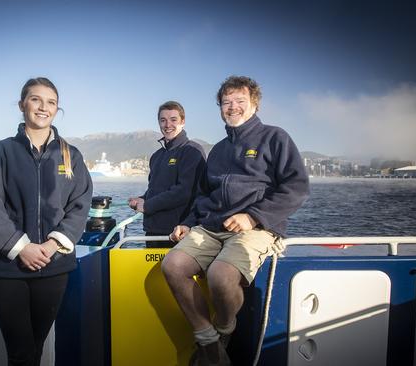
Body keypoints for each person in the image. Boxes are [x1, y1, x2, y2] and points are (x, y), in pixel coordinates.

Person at [161, 76, 309, 365]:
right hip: (211, 227)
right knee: (173, 265)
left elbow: (297, 187)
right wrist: (189, 222)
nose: (233, 107)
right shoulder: (218, 150)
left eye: (240, 101)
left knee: (221, 276)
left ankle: (224, 329)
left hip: (257, 228)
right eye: (226, 102)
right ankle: (209, 341)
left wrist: (253, 216)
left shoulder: (275, 137)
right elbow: (203, 195)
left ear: (254, 104)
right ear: (220, 108)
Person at [0, 77, 93, 366]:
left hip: (53, 268)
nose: (44, 107)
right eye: (36, 99)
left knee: (36, 350)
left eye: (51, 102)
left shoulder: (71, 155)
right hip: (7, 268)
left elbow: (80, 205)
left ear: (57, 109)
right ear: (22, 105)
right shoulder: (1, 151)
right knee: (21, 353)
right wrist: (21, 247)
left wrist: (53, 246)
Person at [128, 101, 206, 248]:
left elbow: (185, 191)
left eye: (173, 119)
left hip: (179, 232)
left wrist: (148, 205)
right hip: (153, 231)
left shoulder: (192, 151)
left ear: (183, 122)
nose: (167, 124)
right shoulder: (157, 156)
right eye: (163, 120)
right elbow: (156, 189)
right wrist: (142, 199)